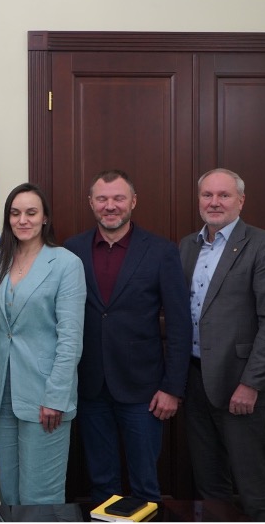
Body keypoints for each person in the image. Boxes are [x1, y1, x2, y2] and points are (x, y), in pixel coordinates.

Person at [63, 169, 191, 503]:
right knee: (101, 485)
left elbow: (179, 325)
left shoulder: (161, 251)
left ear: (132, 202)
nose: (110, 206)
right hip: (89, 387)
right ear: (91, 203)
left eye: (118, 198)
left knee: (145, 486)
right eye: (102, 199)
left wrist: (172, 388)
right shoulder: (70, 250)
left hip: (144, 391)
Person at [179, 168, 265, 521]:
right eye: (207, 195)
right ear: (198, 200)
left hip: (240, 386)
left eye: (223, 195)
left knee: (252, 487)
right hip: (195, 382)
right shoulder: (187, 245)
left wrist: (251, 384)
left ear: (240, 201)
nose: (214, 202)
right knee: (210, 487)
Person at [0, 183, 86, 505]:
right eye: (15, 213)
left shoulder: (66, 263)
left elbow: (70, 339)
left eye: (31, 212)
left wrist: (56, 396)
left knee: (40, 495)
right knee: (10, 492)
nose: (22, 220)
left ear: (44, 219)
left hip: (46, 395)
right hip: (2, 393)